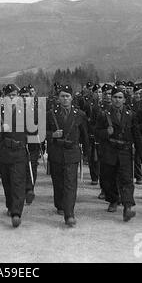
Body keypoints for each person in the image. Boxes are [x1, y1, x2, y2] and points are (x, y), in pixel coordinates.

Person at [95, 86, 142, 222]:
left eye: (120, 97)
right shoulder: (104, 114)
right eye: (115, 97)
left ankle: (128, 207)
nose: (117, 100)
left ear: (124, 100)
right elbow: (96, 133)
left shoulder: (131, 115)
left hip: (125, 152)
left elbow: (137, 135)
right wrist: (106, 132)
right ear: (111, 99)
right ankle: (113, 200)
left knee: (127, 180)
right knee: (108, 180)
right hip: (109, 151)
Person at [46, 84, 90, 226]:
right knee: (58, 182)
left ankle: (69, 213)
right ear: (58, 98)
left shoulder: (80, 114)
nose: (65, 99)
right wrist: (52, 135)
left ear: (72, 98)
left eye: (67, 96)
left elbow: (85, 135)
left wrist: (87, 153)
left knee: (70, 183)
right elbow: (41, 133)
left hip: (72, 153)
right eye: (62, 96)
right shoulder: (50, 114)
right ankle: (60, 204)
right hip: (56, 153)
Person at [0, 84, 28, 227]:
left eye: (14, 95)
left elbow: (33, 130)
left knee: (18, 182)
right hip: (4, 152)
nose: (12, 98)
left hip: (19, 151)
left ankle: (16, 212)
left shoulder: (26, 112)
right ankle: (10, 205)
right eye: (9, 95)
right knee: (7, 182)